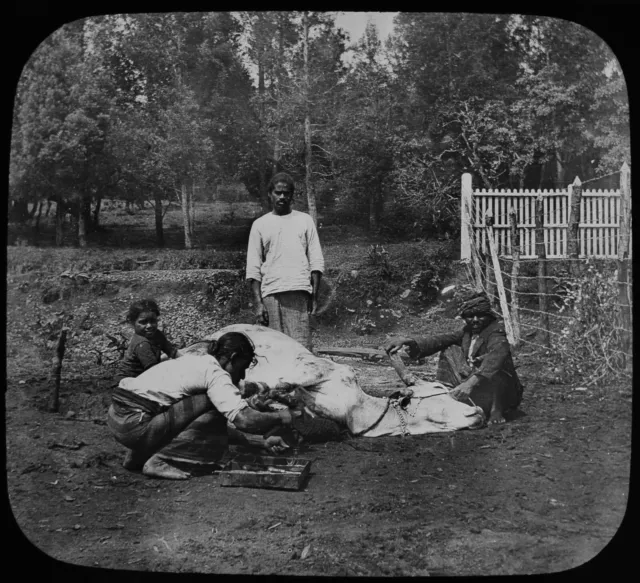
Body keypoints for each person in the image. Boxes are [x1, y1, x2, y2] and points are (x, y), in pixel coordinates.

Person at [107, 332, 298, 480]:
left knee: (203, 405)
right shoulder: (215, 373)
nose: (242, 376)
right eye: (243, 367)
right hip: (136, 425)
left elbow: (191, 422)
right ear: (232, 357)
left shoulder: (194, 360)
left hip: (118, 418)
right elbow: (244, 420)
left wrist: (260, 442)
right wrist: (280, 416)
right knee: (213, 406)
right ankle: (161, 459)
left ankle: (137, 455)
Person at [384, 292, 523, 425]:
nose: (475, 320)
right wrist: (407, 341)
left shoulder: (496, 332)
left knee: (496, 364)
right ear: (464, 317)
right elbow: (442, 339)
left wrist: (469, 384)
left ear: (488, 315)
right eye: (470, 316)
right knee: (449, 348)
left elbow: (496, 356)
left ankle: (496, 410)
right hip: (478, 387)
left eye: (480, 315)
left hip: (502, 392)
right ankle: (448, 393)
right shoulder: (467, 332)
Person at [246, 172, 324, 351]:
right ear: (269, 194)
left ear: (292, 196)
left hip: (298, 292)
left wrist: (314, 296)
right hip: (271, 295)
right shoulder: (260, 224)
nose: (282, 197)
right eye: (278, 192)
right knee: (274, 351)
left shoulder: (304, 220)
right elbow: (253, 268)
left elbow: (316, 260)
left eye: (286, 193)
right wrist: (259, 304)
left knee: (301, 350)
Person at [114, 299, 184, 385]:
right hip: (129, 378)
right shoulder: (142, 344)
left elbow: (172, 352)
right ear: (133, 323)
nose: (149, 326)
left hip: (148, 371)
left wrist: (186, 362)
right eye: (143, 322)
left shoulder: (157, 334)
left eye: (153, 321)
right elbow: (154, 371)